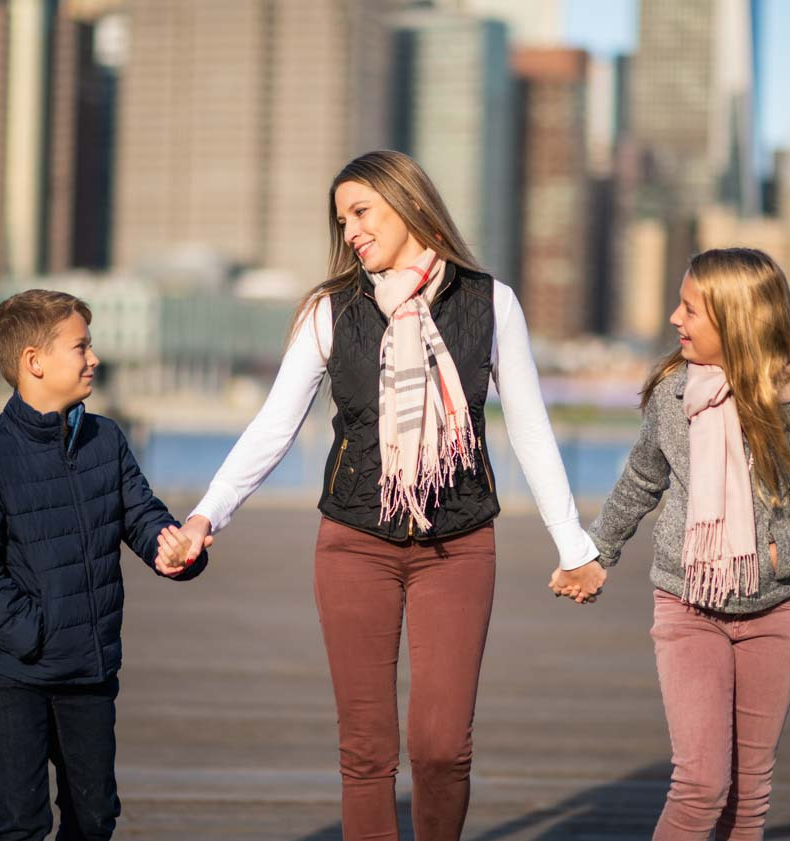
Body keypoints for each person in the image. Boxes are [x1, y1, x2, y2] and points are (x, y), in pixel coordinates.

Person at [166, 150, 605, 840]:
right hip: (353, 544)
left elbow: (529, 428)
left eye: (361, 212)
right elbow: (273, 427)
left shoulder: (491, 301)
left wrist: (573, 544)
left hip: (458, 544)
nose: (351, 232)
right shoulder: (330, 310)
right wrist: (205, 514)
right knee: (366, 751)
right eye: (342, 221)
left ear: (409, 204)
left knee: (439, 745)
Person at [576, 248, 790, 840]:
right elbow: (642, 478)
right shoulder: (671, 394)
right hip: (687, 609)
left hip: (775, 615)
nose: (673, 318)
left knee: (747, 795)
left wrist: (779, 556)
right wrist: (596, 553)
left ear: (735, 323)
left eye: (689, 308)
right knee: (701, 785)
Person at [0, 289, 210, 841]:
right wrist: (33, 632)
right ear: (33, 362)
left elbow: (144, 517)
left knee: (94, 819)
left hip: (90, 671)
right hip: (15, 671)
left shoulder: (105, 440)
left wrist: (177, 549)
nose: (94, 358)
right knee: (21, 821)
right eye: (80, 346)